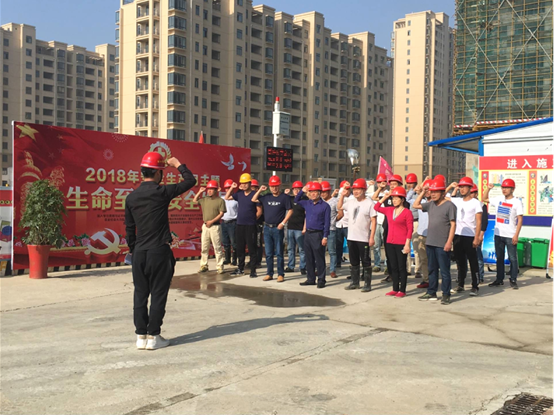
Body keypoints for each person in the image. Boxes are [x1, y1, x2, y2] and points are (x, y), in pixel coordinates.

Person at [125, 152, 196, 350]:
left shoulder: (131, 197)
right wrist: (178, 164)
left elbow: (129, 229)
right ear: (158, 173)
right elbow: (190, 181)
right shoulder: (162, 192)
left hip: (139, 252)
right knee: (158, 294)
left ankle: (140, 336)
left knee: (140, 294)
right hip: (158, 251)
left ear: (142, 172)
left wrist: (134, 250)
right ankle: (154, 336)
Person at [413, 178, 456, 305]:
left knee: (444, 270)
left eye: (436, 192)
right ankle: (431, 292)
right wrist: (423, 191)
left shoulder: (450, 206)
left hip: (442, 243)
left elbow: (453, 225)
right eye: (431, 192)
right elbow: (415, 205)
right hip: (430, 242)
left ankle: (446, 294)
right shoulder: (430, 204)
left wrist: (449, 242)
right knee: (432, 269)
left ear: (443, 192)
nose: (433, 194)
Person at [483, 178, 523, 289]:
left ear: (512, 189)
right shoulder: (499, 199)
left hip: (510, 235)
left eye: (507, 188)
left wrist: (516, 235)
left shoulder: (517, 202)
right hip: (498, 234)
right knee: (499, 258)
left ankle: (513, 279)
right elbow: (484, 198)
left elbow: (520, 219)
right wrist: (488, 189)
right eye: (503, 187)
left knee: (512, 258)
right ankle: (499, 279)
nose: (504, 190)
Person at [338, 178, 377, 292]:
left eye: (358, 189)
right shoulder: (351, 202)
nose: (356, 191)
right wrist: (342, 195)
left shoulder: (369, 203)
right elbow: (339, 207)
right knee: (353, 261)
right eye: (354, 189)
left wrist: (371, 237)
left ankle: (367, 284)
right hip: (351, 237)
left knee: (365, 261)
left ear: (364, 190)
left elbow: (373, 220)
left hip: (363, 238)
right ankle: (355, 282)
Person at [374, 186, 414, 298]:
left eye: (397, 198)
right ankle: (395, 288)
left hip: (401, 243)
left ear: (402, 199)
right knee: (393, 266)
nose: (394, 200)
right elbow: (376, 207)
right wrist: (385, 197)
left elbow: (410, 229)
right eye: (393, 199)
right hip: (390, 242)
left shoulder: (407, 212)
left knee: (401, 267)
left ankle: (402, 290)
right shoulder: (389, 210)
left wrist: (407, 244)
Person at [252, 176, 293, 282]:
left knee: (279, 253)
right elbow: (253, 199)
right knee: (269, 253)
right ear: (269, 186)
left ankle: (280, 274)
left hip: (277, 228)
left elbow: (290, 210)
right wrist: (260, 190)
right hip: (267, 228)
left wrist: (283, 223)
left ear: (279, 186)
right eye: (272, 186)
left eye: (276, 186)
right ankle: (269, 273)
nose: (274, 188)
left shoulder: (284, 197)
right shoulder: (266, 197)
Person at [445, 177, 482, 296]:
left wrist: (477, 237)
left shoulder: (476, 203)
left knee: (473, 261)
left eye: (464, 187)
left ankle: (475, 286)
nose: (462, 189)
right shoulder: (457, 201)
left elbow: (479, 221)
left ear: (470, 188)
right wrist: (450, 187)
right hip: (458, 235)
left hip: (470, 236)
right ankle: (460, 284)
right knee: (460, 262)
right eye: (460, 187)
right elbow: (442, 196)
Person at [372, 174, 410, 283]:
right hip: (387, 228)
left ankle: (400, 276)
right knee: (389, 254)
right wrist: (383, 193)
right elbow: (374, 198)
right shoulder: (388, 197)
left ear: (400, 185)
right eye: (391, 184)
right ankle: (391, 274)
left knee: (399, 256)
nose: (392, 186)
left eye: (395, 184)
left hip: (399, 232)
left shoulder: (404, 201)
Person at [225, 173, 262, 277]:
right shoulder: (239, 194)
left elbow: (259, 211)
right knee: (240, 248)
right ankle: (240, 268)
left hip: (250, 225)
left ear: (250, 183)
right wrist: (232, 188)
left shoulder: (255, 194)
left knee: (251, 248)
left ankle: (253, 270)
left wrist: (253, 219)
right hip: (240, 224)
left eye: (246, 183)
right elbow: (227, 197)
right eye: (242, 183)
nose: (244, 185)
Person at [295, 182, 331, 288]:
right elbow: (296, 200)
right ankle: (310, 279)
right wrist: (302, 191)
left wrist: (325, 236)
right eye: (311, 192)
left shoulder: (325, 206)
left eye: (315, 192)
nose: (313, 194)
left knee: (319, 258)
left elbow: (327, 223)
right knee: (309, 257)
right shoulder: (307, 203)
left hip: (318, 234)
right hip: (308, 233)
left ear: (319, 193)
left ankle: (321, 279)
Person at [193, 180, 226, 274]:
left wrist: (212, 221)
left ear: (216, 190)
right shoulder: (204, 199)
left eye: (212, 189)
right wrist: (200, 192)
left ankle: (220, 266)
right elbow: (194, 201)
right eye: (208, 189)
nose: (209, 191)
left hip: (215, 226)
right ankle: (204, 265)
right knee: (204, 247)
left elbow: (221, 213)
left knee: (217, 247)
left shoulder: (220, 200)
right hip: (205, 226)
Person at [284, 181, 307, 275]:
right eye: (294, 189)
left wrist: (304, 228)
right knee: (290, 248)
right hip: (290, 227)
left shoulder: (305, 200)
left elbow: (307, 215)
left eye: (298, 189)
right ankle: (291, 266)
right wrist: (285, 194)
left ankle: (303, 267)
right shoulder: (290, 199)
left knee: (302, 249)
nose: (296, 191)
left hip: (300, 228)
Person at [414, 179, 432, 289]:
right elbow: (414, 205)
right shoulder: (421, 201)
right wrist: (422, 191)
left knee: (435, 260)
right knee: (424, 259)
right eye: (426, 189)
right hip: (421, 234)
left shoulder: (436, 203)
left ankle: (434, 280)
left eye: (429, 189)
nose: (427, 191)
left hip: (433, 235)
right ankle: (426, 280)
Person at [321, 181, 340, 278]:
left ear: (329, 191)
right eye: (321, 192)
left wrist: (333, 221)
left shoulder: (335, 201)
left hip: (331, 229)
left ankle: (332, 270)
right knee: (320, 251)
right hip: (320, 229)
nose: (322, 194)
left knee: (332, 251)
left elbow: (341, 213)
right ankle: (321, 269)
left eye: (324, 192)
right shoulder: (320, 201)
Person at [472, 184, 488, 283]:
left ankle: (480, 276)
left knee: (478, 256)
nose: (471, 194)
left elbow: (484, 221)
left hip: (476, 234)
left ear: (476, 194)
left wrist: (481, 235)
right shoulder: (464, 204)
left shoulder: (482, 206)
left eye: (472, 192)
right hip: (467, 234)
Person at [405, 173, 420, 277]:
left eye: (412, 183)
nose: (410, 185)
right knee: (406, 247)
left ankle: (418, 269)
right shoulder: (406, 194)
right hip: (406, 223)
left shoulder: (418, 195)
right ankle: (408, 269)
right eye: (408, 183)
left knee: (416, 247)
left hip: (416, 221)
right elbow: (406, 199)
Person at [372, 173, 388, 273]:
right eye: (378, 182)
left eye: (382, 182)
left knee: (386, 245)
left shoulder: (388, 193)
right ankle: (377, 264)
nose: (380, 184)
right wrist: (379, 188)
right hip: (376, 222)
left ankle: (387, 264)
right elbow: (374, 197)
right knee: (376, 246)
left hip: (385, 222)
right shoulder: (374, 193)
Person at [221, 179, 238, 266]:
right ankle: (227, 259)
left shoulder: (236, 199)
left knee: (234, 242)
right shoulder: (222, 198)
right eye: (227, 188)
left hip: (233, 222)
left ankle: (234, 259)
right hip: (224, 222)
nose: (228, 189)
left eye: (229, 187)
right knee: (225, 242)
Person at [335, 180, 352, 268]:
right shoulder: (338, 197)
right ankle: (338, 262)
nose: (346, 191)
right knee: (338, 244)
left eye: (348, 189)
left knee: (351, 245)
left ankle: (353, 262)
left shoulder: (352, 198)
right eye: (344, 189)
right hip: (339, 224)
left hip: (348, 225)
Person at [251, 179, 264, 269]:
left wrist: (252, 219)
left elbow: (259, 212)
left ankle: (258, 261)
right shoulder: (249, 197)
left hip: (257, 223)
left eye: (254, 188)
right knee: (251, 243)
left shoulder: (260, 198)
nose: (252, 189)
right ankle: (253, 260)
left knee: (258, 243)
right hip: (250, 224)